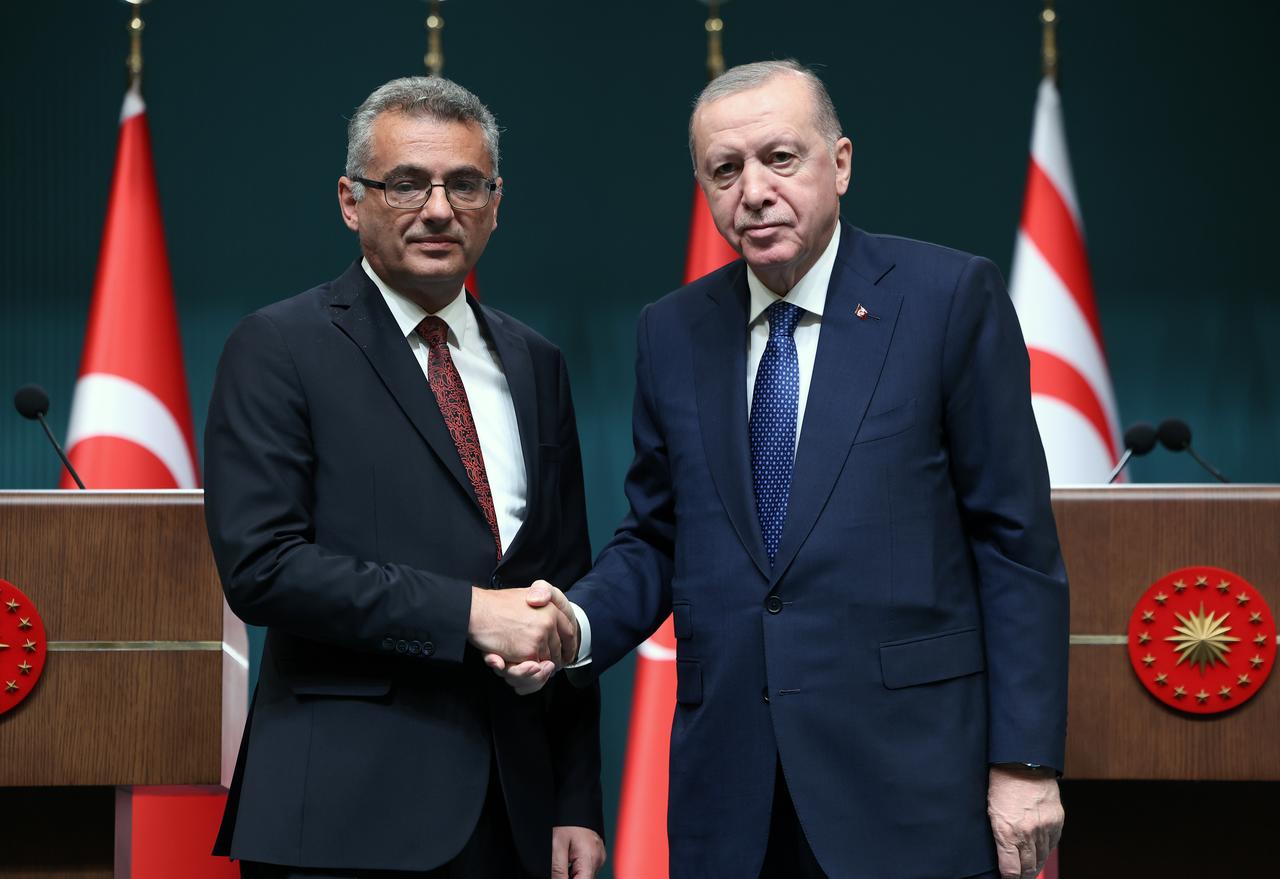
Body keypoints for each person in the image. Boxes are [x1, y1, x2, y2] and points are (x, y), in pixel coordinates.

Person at [495, 60, 1068, 879]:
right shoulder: (673, 331)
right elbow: (657, 536)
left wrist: (1027, 760)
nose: (753, 191)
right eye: (725, 170)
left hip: (909, 784)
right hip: (731, 795)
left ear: (839, 163)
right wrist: (571, 626)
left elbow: (1014, 543)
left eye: (780, 158)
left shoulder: (947, 298)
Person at [204, 76, 606, 879]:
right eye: (406, 184)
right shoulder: (279, 346)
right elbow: (263, 568)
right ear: (352, 201)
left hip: (517, 818)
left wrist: (576, 799)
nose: (437, 208)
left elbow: (565, 585)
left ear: (495, 202)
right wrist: (468, 613)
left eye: (464, 184)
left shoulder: (537, 364)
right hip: (344, 818)